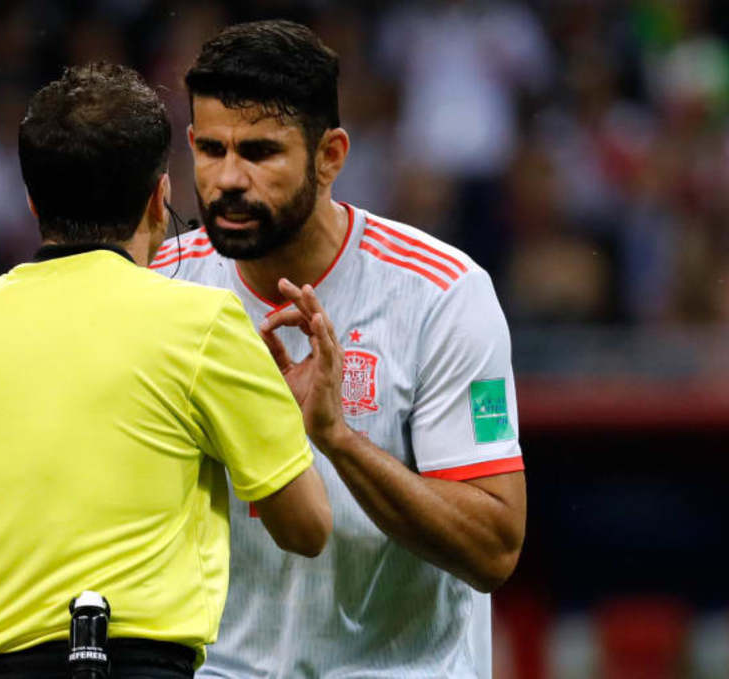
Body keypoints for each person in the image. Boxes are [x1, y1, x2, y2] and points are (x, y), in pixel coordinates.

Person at [0, 62, 332, 678]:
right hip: (134, 664)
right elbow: (307, 529)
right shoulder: (203, 322)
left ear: (32, 200)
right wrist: (297, 425)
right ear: (158, 198)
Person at [150, 21, 526, 677]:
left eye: (260, 153)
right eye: (211, 149)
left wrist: (337, 437)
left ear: (330, 156)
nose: (228, 179)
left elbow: (493, 547)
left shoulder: (444, 295)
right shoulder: (158, 287)